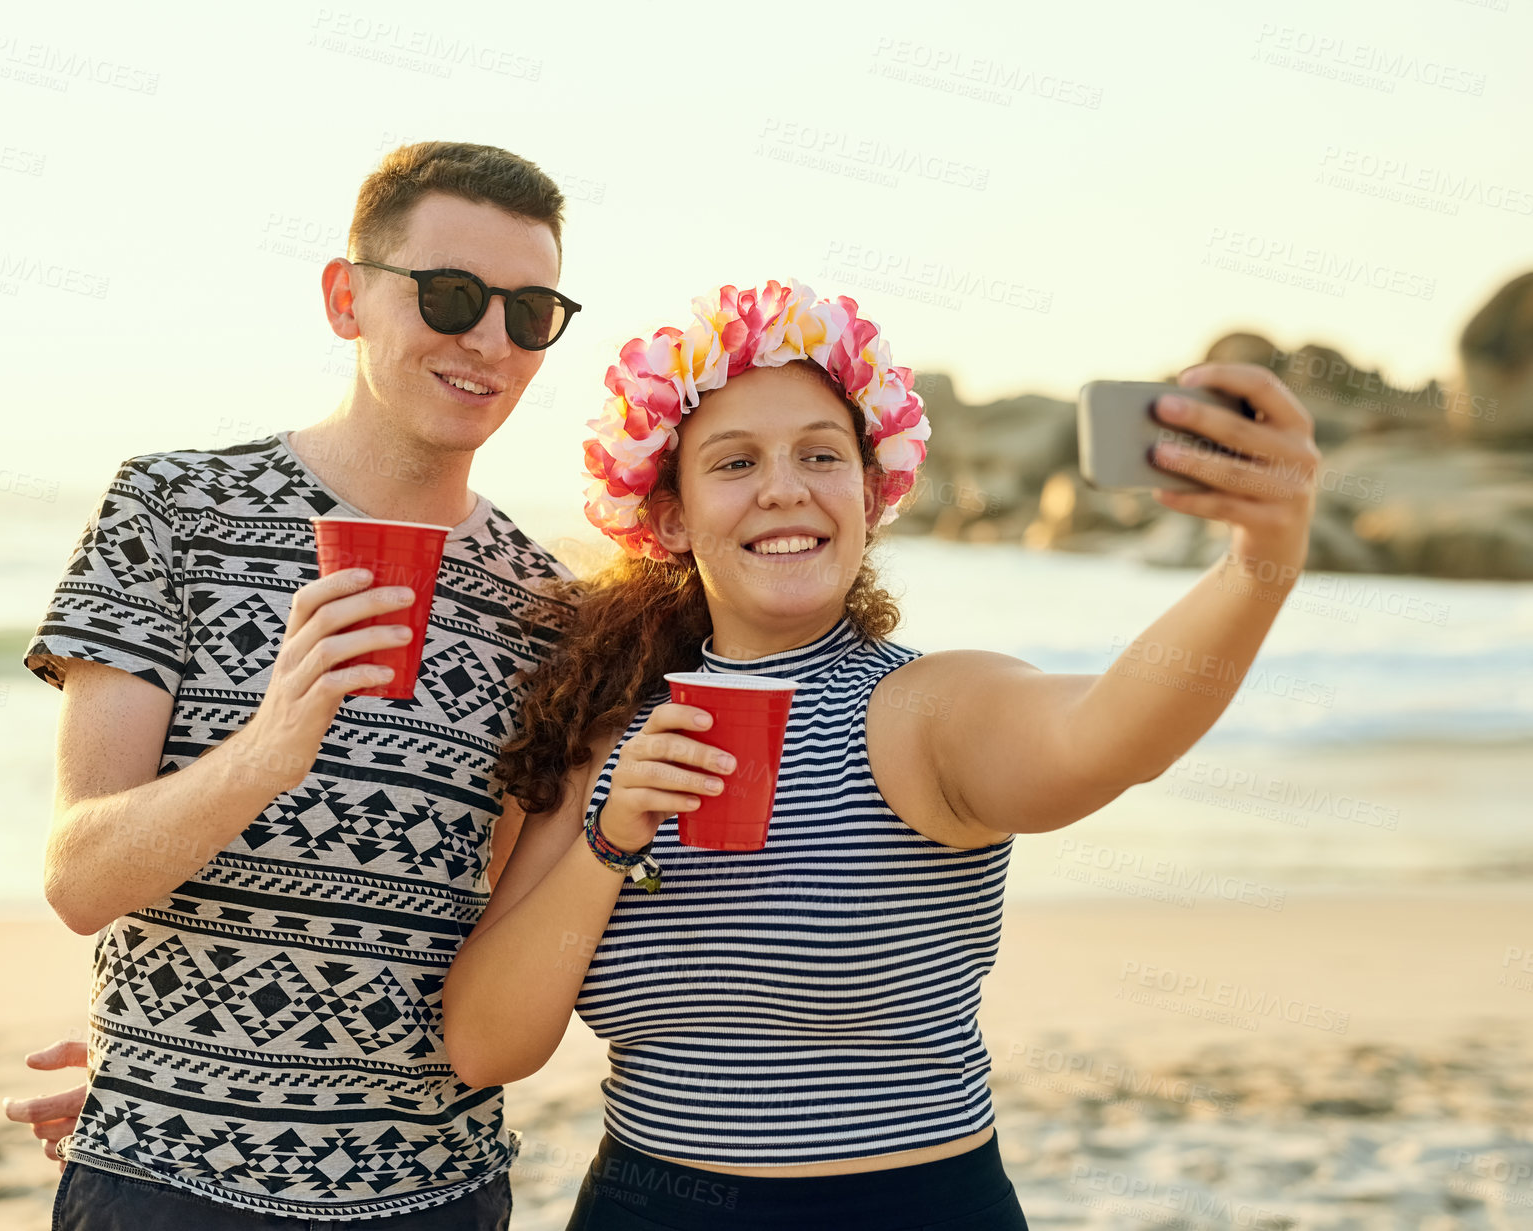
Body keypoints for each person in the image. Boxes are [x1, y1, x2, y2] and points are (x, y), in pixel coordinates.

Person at [438, 279, 1320, 1229]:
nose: (784, 487)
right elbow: (485, 1045)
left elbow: (1107, 735)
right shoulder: (607, 729)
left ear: (868, 491)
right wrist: (609, 841)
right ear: (673, 518)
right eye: (734, 463)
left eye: (820, 455)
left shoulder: (924, 710)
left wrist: (1258, 559)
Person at [7, 141, 582, 1228]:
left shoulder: (546, 607)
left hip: (434, 1192)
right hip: (162, 1188)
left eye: (531, 311)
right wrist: (274, 744)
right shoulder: (173, 511)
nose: (489, 340)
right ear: (344, 298)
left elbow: (491, 941)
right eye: (451, 295)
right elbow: (80, 878)